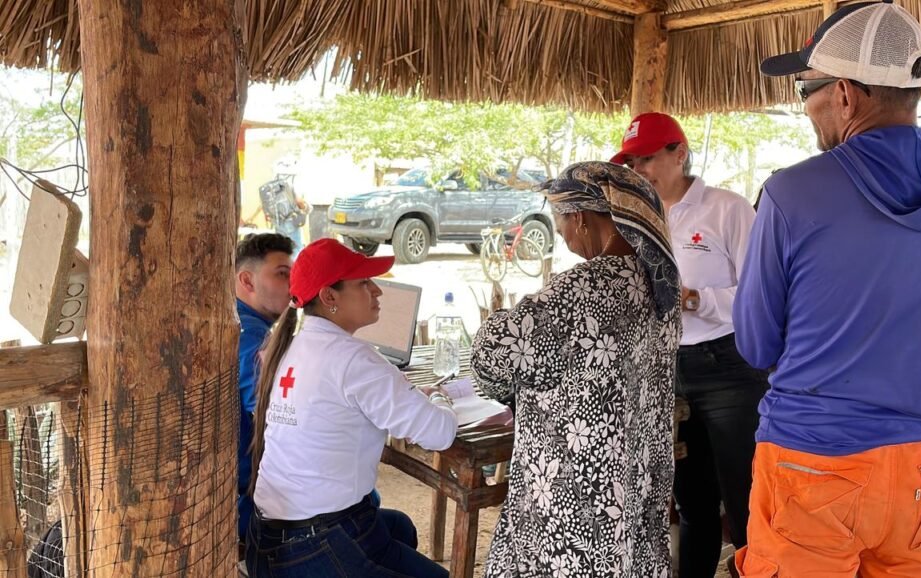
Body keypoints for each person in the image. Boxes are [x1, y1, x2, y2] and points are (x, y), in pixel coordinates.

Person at [734, 2, 921, 576]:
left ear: (843, 93)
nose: (807, 108)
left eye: (805, 90)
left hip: (814, 468)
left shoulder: (792, 195)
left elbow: (757, 346)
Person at [471, 161, 682, 577]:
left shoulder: (579, 290)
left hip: (574, 498)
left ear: (581, 219)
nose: (563, 235)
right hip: (635, 486)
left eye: (561, 222)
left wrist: (514, 388)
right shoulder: (660, 287)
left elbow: (488, 355)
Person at [611, 111, 768, 576]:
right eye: (631, 163)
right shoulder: (637, 216)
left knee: (744, 499)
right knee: (691, 501)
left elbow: (761, 294)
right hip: (664, 365)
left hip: (727, 367)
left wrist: (696, 299)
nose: (638, 171)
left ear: (679, 154)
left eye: (646, 159)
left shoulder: (728, 208)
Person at [245, 238, 457, 578]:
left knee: (400, 527)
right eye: (364, 283)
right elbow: (442, 432)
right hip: (312, 546)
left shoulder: (291, 346)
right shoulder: (353, 360)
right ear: (329, 297)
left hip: (270, 538)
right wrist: (437, 396)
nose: (377, 291)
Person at [234, 232, 294, 545]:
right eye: (283, 274)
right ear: (247, 281)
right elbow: (272, 415)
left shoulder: (238, 322)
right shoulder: (250, 340)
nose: (293, 285)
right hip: (248, 504)